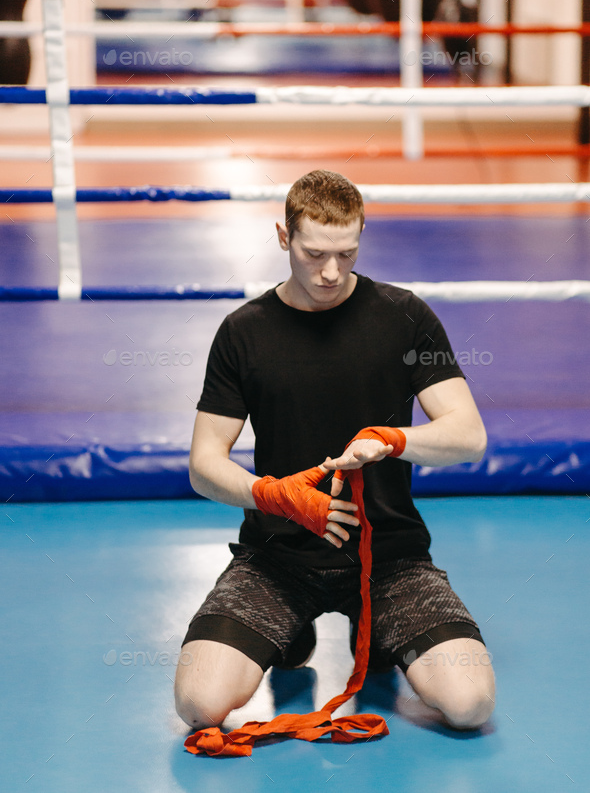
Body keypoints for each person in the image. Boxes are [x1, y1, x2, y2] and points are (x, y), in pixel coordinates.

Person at [174, 169, 495, 732]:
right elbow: (203, 464)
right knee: (199, 705)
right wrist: (272, 495)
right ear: (283, 237)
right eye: (314, 253)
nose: (329, 272)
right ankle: (290, 633)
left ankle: (372, 625)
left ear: (361, 235)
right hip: (277, 559)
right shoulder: (243, 332)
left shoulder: (404, 316)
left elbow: (468, 436)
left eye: (346, 254)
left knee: (470, 705)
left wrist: (394, 439)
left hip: (388, 558)